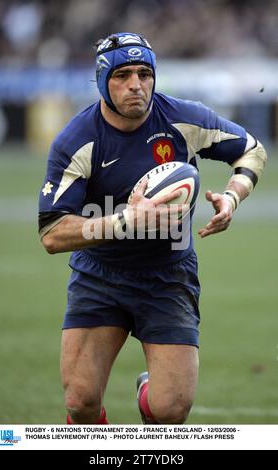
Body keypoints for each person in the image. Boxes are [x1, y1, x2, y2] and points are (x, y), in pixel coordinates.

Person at [38, 32, 267, 425]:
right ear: (102, 80)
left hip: (168, 276)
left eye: (145, 74)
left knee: (170, 410)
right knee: (81, 402)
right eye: (123, 75)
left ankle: (150, 393)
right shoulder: (77, 142)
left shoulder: (184, 118)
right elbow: (52, 234)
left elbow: (252, 149)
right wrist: (126, 221)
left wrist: (232, 196)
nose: (136, 85)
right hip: (100, 276)